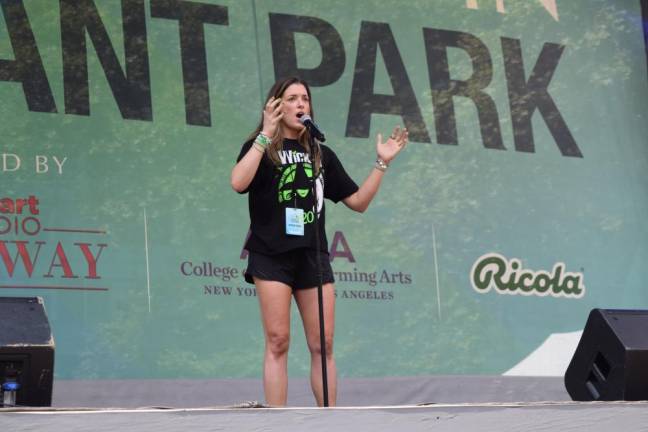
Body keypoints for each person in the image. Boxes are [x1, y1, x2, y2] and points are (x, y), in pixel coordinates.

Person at [231, 76, 408, 407]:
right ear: (276, 105)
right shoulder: (261, 147)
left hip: (312, 256)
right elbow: (238, 182)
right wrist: (263, 136)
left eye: (305, 99)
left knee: (323, 343)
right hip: (271, 256)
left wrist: (382, 163)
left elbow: (358, 201)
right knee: (278, 340)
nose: (301, 104)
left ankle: (328, 421)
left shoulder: (321, 154)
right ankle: (277, 423)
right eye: (293, 98)